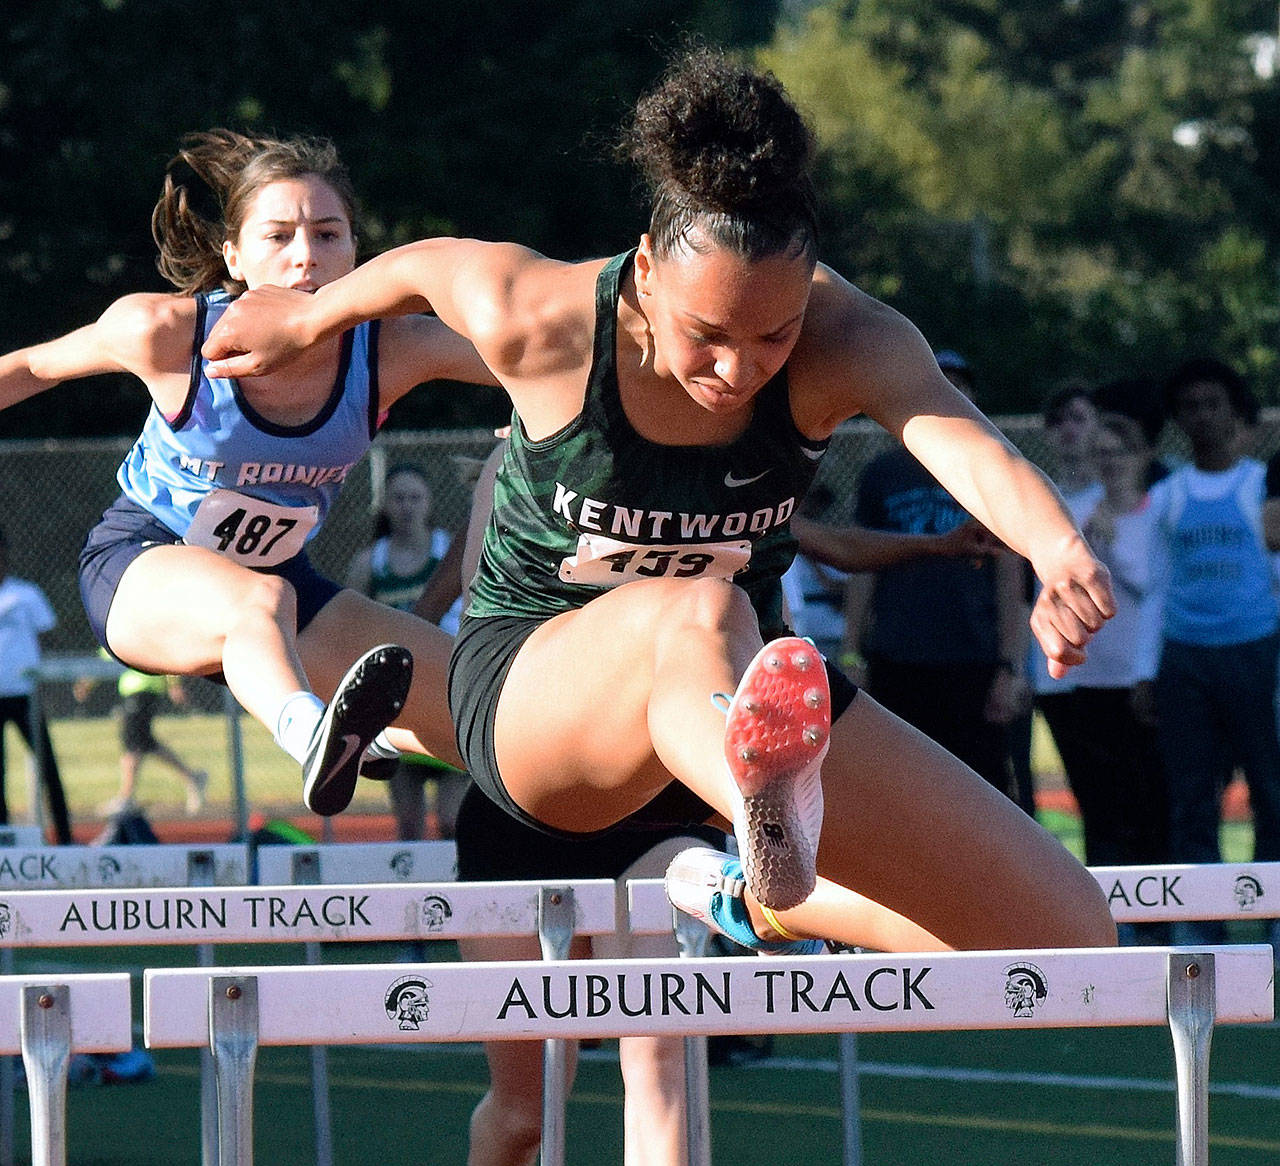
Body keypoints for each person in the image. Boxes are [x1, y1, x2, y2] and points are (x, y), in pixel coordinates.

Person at [203, 48, 1116, 955]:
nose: (738, 368)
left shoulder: (853, 339)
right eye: (707, 335)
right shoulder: (547, 316)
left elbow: (961, 439)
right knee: (702, 603)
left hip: (742, 700)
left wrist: (1058, 549)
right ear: (645, 270)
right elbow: (425, 266)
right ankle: (761, 802)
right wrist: (309, 318)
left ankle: (762, 889)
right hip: (536, 710)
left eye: (774, 335)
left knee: (1067, 931)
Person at [0, 129, 497, 820]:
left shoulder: (392, 347)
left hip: (289, 587)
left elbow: (535, 353)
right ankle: (314, 733)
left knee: (483, 708)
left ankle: (648, 826)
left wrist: (539, 409)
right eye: (279, 237)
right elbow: (29, 367)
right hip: (143, 564)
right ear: (233, 255)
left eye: (329, 235)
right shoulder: (167, 333)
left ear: (358, 251)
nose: (306, 258)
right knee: (255, 603)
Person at [842, 350, 1031, 809]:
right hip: (897, 656)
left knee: (986, 793)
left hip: (972, 658)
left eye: (960, 385)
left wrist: (1011, 666)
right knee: (900, 791)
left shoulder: (988, 464)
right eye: (941, 384)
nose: (952, 394)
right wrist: (851, 651)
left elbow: (1009, 577)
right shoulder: (883, 474)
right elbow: (863, 568)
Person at [1134, 357, 1280, 944]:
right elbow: (1157, 588)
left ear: (1236, 411)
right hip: (1187, 660)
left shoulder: (1259, 486)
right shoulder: (1169, 495)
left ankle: (1271, 929)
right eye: (1190, 405)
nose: (1202, 416)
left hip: (1253, 652)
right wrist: (1148, 671)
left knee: (1271, 793)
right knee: (1193, 799)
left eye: (1213, 403)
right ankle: (1204, 933)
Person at [1032, 414, 1169, 940]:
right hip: (1088, 682)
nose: (1111, 462)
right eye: (1103, 453)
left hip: (1140, 677)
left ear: (1139, 457)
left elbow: (1148, 586)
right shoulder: (1080, 515)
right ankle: (1107, 924)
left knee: (1149, 799)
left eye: (1121, 452)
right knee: (1098, 802)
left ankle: (1159, 925)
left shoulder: (1156, 512)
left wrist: (1113, 547)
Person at [346, 462, 470, 839]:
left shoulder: (450, 551)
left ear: (429, 503)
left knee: (452, 821)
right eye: (398, 498)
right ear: (384, 505)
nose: (407, 507)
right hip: (395, 702)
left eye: (415, 498)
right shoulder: (371, 562)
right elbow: (350, 625)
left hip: (445, 693)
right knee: (409, 826)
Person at [0, 526, 73, 844]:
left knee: (48, 769)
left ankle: (66, 838)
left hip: (25, 697)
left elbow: (47, 637)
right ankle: (4, 839)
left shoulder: (25, 594)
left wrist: (45, 679)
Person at [80, 660, 209, 817]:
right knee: (145, 742)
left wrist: (174, 685)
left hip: (143, 689)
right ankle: (193, 777)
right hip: (138, 691)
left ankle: (126, 797)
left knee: (133, 744)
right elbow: (104, 659)